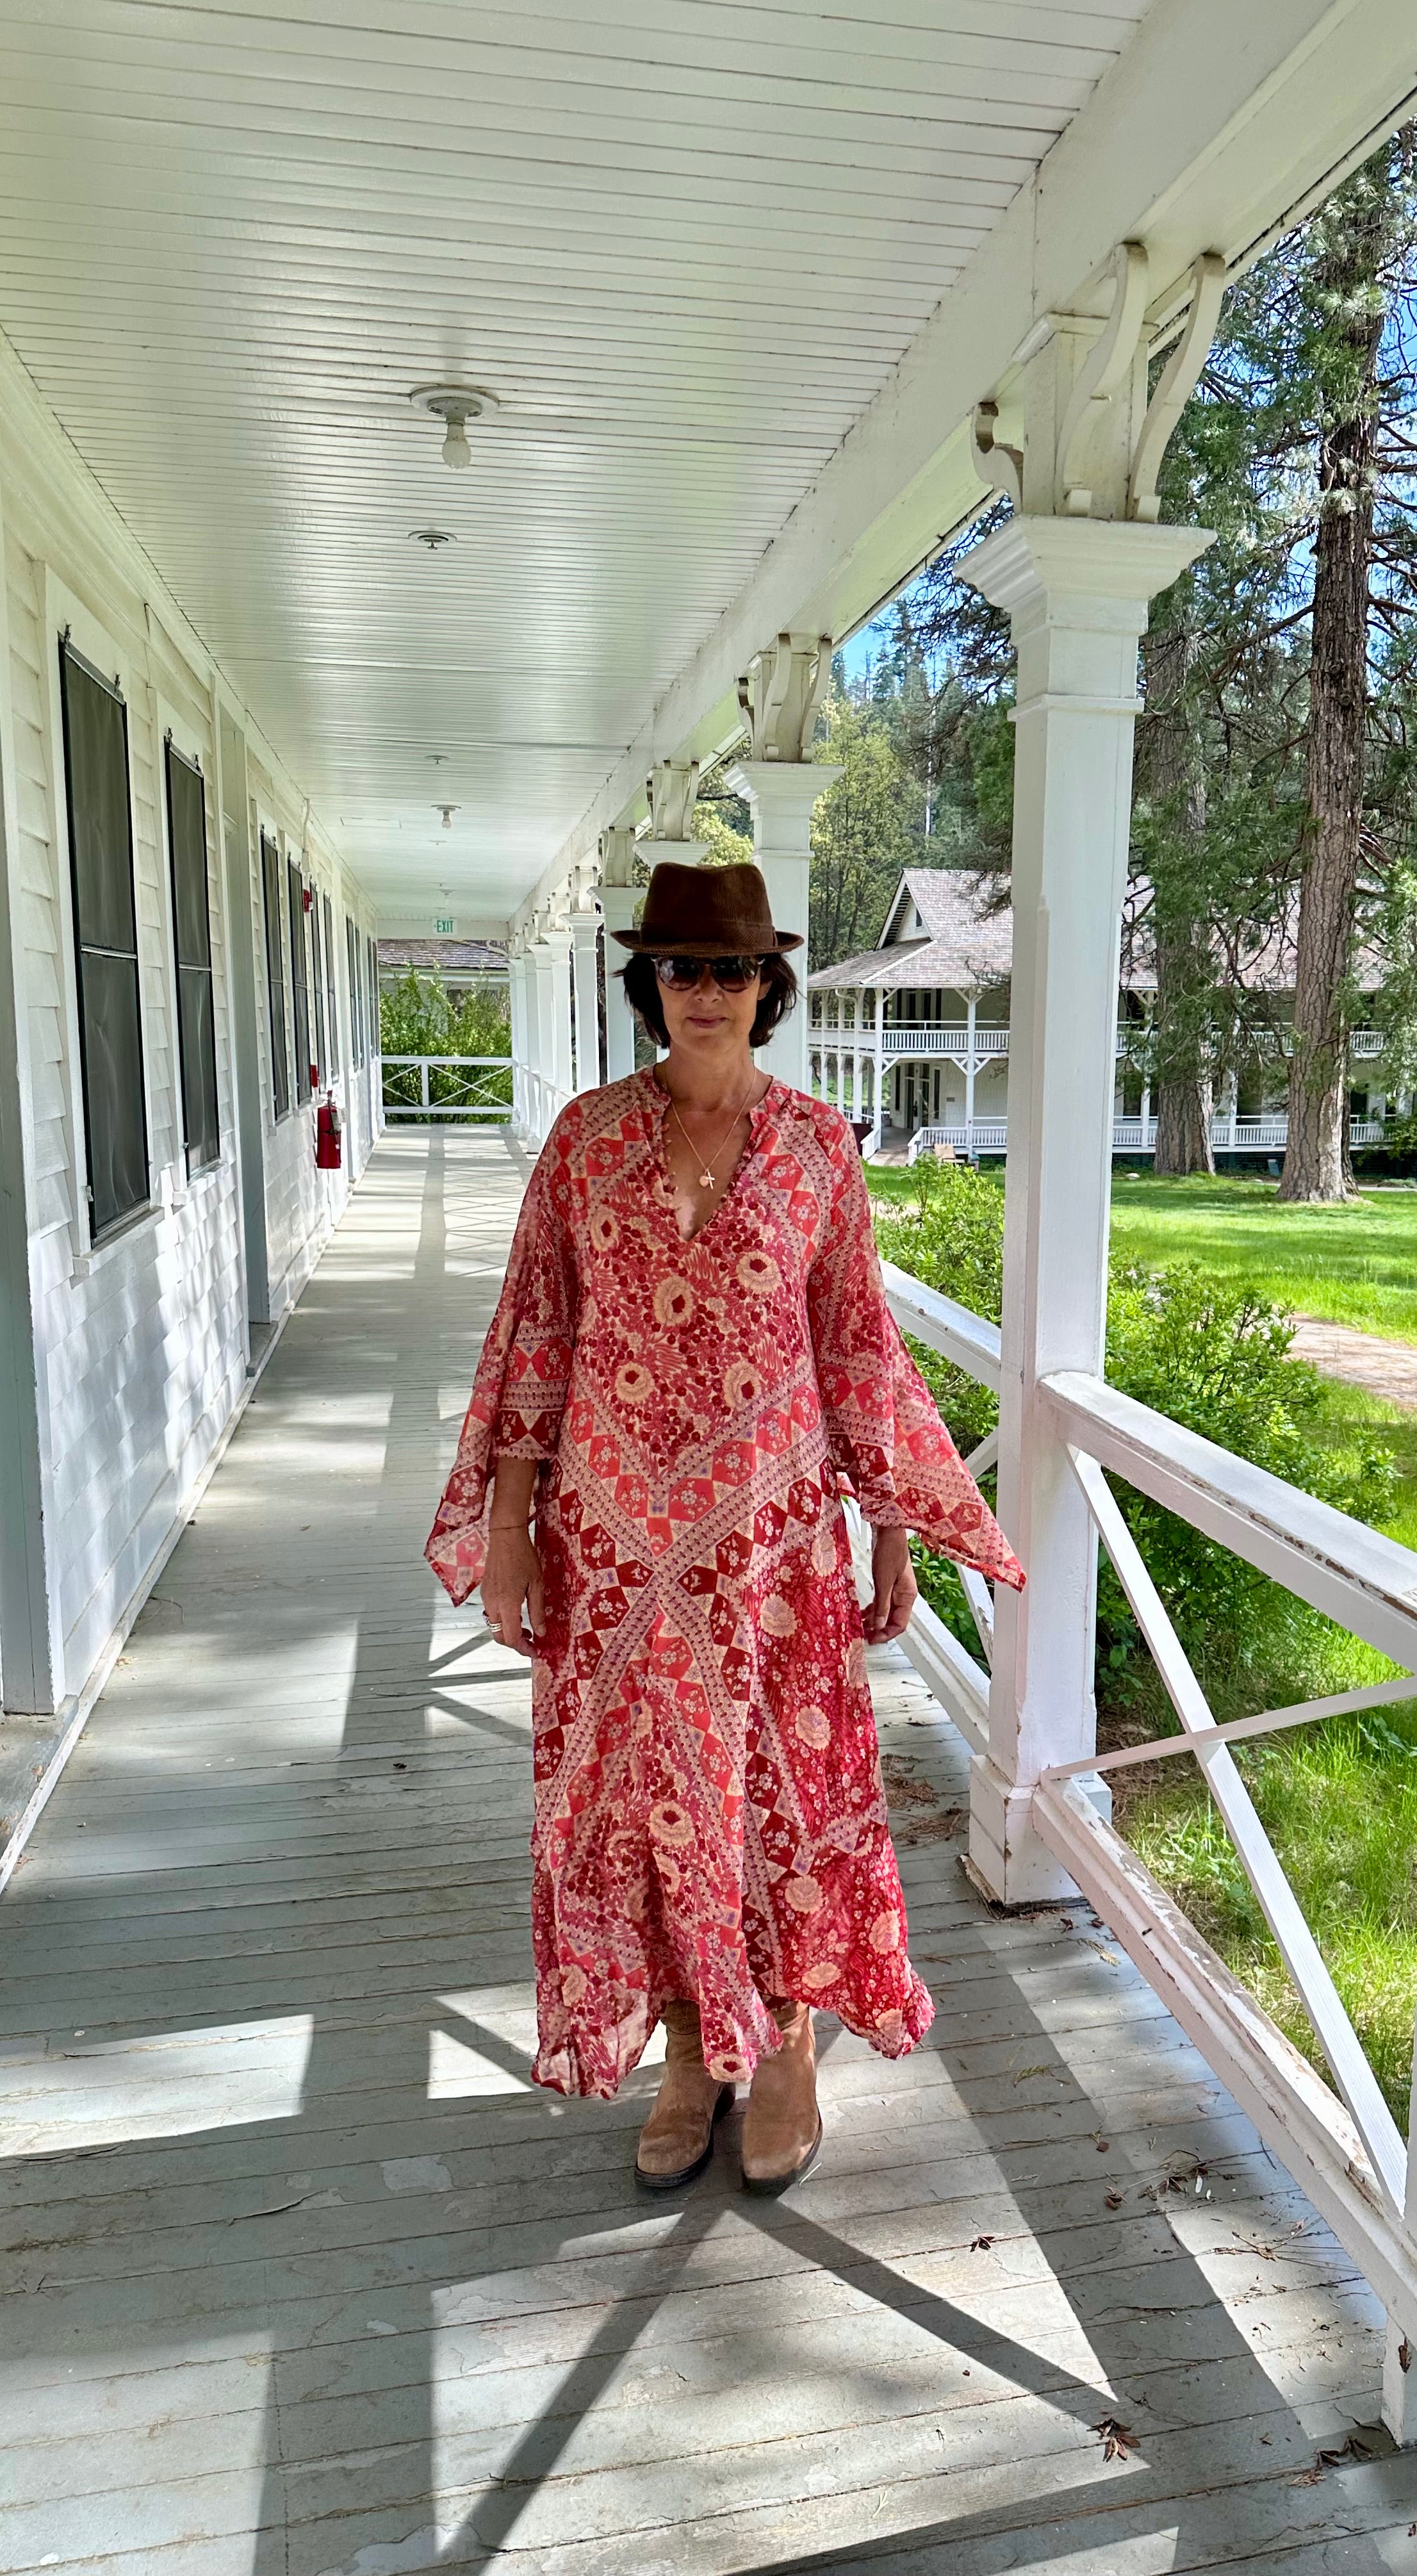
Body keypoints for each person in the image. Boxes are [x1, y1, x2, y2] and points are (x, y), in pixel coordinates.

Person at [426, 860, 1022, 2195]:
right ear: (649, 987)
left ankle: (793, 2039)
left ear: (770, 988)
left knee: (782, 1798)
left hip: (774, 1549)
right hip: (615, 1546)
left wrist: (894, 1526)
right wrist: (512, 1530)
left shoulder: (819, 1147)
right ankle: (693, 2048)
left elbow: (857, 1348)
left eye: (734, 970)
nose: (707, 993)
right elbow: (536, 1339)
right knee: (640, 1809)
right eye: (683, 970)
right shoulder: (584, 1139)